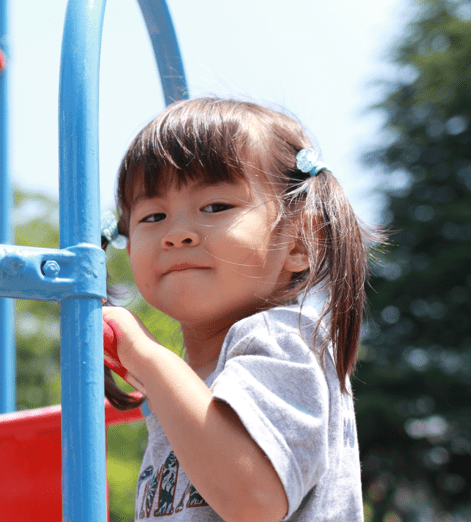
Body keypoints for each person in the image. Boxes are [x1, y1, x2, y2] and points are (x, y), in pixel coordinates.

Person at [103, 96, 377, 522]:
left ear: (300, 243)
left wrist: (144, 355)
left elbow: (254, 499)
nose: (177, 234)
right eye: (153, 216)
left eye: (215, 207)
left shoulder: (283, 337)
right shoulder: (185, 384)